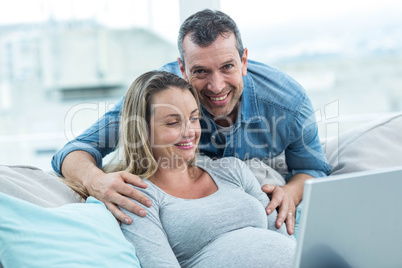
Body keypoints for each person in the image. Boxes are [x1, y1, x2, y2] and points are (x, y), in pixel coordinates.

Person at [52, 9, 330, 235]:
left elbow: (313, 168)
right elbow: (74, 150)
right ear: (182, 68)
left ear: (244, 61)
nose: (216, 85)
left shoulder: (288, 102)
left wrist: (291, 192)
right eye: (200, 71)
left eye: (227, 67)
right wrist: (96, 180)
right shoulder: (157, 95)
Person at [66, 70, 296, 267]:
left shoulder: (232, 170)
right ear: (142, 130)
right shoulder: (136, 194)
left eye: (194, 119)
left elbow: (285, 237)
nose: (190, 132)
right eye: (173, 122)